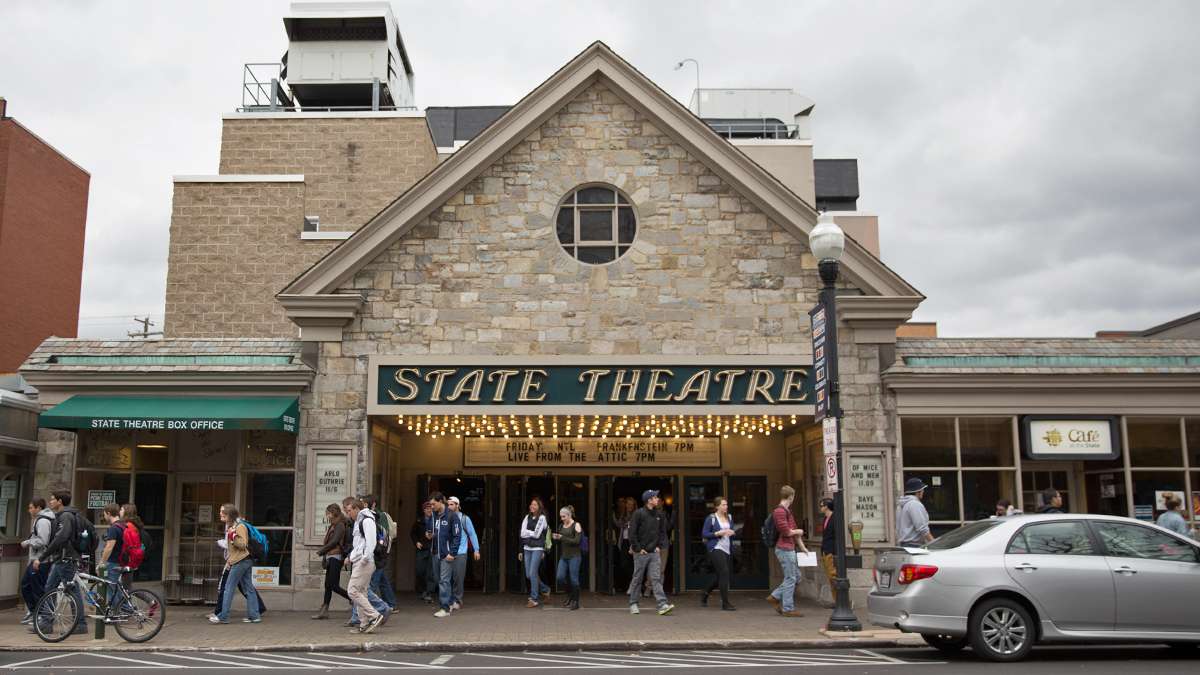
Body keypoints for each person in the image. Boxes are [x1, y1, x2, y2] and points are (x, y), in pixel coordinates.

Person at [35, 490, 91, 636]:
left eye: (53, 499)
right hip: (63, 558)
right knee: (50, 588)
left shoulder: (65, 516)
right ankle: (46, 622)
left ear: (60, 501)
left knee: (72, 591)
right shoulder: (69, 515)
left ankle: (80, 624)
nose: (50, 502)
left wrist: (42, 557)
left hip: (66, 558)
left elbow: (61, 538)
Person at [210, 503, 261, 625]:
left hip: (241, 561)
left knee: (228, 588)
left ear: (229, 515)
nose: (220, 514)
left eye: (223, 512)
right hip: (242, 560)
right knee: (249, 588)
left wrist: (232, 536)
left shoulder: (239, 527)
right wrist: (229, 560)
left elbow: (242, 544)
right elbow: (233, 549)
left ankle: (223, 616)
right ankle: (254, 616)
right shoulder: (233, 526)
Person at [627, 489, 675, 616]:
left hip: (654, 552)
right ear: (649, 500)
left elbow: (662, 532)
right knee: (637, 578)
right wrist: (638, 548)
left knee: (656, 578)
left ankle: (662, 604)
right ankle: (633, 603)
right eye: (655, 497)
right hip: (641, 553)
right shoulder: (638, 513)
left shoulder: (659, 514)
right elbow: (632, 533)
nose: (657, 499)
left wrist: (659, 546)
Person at [343, 496, 385, 633]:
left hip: (365, 562)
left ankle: (374, 615)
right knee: (361, 592)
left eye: (349, 510)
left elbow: (371, 542)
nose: (348, 514)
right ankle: (364, 623)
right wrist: (351, 557)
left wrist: (364, 559)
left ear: (356, 508)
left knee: (352, 590)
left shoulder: (366, 520)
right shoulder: (360, 521)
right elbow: (359, 544)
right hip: (361, 560)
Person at [766, 486, 805, 618]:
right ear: (790, 497)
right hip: (784, 549)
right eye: (793, 496)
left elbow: (793, 531)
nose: (793, 499)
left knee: (797, 577)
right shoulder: (779, 512)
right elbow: (787, 531)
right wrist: (798, 531)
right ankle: (788, 608)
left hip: (790, 548)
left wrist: (803, 548)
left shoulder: (788, 511)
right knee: (791, 578)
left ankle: (775, 596)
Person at [312, 503, 351, 620]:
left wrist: (321, 551)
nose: (327, 516)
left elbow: (334, 542)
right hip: (331, 557)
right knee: (328, 585)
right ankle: (324, 610)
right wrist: (324, 556)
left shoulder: (340, 525)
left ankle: (353, 599)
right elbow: (329, 542)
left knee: (333, 585)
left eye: (328, 513)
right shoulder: (333, 525)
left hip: (336, 557)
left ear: (333, 513)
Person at [19, 498, 54, 624]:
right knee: (26, 585)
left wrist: (27, 542)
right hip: (36, 559)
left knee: (36, 588)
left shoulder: (43, 521)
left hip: (41, 560)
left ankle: (39, 615)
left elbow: (42, 541)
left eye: (31, 507)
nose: (29, 510)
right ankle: (35, 612)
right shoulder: (40, 520)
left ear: (38, 508)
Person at [700, 495, 736, 611]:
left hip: (727, 548)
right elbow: (705, 534)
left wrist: (732, 532)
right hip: (715, 547)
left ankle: (705, 592)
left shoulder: (729, 517)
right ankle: (725, 603)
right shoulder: (711, 518)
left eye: (726, 504)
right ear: (717, 506)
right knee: (724, 572)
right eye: (723, 505)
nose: (726, 506)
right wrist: (717, 533)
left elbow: (730, 530)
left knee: (721, 575)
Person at [428, 492, 462, 618]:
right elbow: (437, 533)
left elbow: (457, 535)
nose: (432, 507)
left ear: (440, 502)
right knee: (439, 580)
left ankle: (445, 608)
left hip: (446, 554)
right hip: (435, 552)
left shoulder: (452, 516)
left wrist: (452, 553)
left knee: (444, 581)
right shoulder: (434, 516)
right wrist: (431, 535)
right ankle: (451, 600)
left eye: (433, 504)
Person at [363, 495, 398, 611]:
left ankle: (373, 608)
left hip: (379, 553)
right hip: (379, 552)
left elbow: (383, 535)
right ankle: (391, 603)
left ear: (372, 504)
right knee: (382, 580)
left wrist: (379, 550)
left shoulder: (380, 516)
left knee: (373, 583)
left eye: (365, 504)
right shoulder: (370, 516)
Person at [447, 496, 480, 612]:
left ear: (457, 505)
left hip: (461, 552)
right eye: (448, 504)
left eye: (451, 504)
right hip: (447, 552)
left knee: (458, 578)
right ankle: (449, 600)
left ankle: (457, 600)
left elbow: (472, 534)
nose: (449, 506)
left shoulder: (465, 519)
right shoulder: (445, 518)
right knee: (446, 578)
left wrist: (476, 549)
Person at [518, 497, 551, 608]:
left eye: (535, 505)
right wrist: (530, 533)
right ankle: (545, 589)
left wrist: (528, 533)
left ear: (539, 507)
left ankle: (534, 598)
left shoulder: (542, 518)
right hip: (527, 548)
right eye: (531, 504)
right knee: (528, 574)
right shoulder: (527, 517)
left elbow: (537, 535)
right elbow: (522, 533)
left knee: (532, 572)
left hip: (537, 548)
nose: (532, 506)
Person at [553, 505, 583, 611]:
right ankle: (570, 595)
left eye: (564, 517)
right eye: (561, 517)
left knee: (574, 579)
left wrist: (562, 537)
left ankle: (575, 601)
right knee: (560, 577)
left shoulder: (576, 525)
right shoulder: (561, 526)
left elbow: (576, 541)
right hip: (564, 556)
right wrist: (556, 538)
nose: (562, 519)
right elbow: (559, 542)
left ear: (569, 515)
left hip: (574, 556)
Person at [97, 503, 126, 607]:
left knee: (111, 590)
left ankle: (118, 612)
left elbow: (109, 547)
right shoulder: (123, 525)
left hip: (113, 562)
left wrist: (102, 562)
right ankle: (125, 609)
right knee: (116, 589)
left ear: (108, 513)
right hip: (121, 560)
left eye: (104, 514)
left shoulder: (114, 528)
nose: (104, 516)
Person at [896, 478, 935, 548]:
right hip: (915, 546)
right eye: (922, 489)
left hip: (904, 545)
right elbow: (922, 528)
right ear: (918, 491)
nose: (923, 492)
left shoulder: (901, 505)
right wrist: (934, 543)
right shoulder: (915, 504)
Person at [411, 501, 436, 603]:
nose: (429, 510)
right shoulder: (419, 520)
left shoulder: (436, 520)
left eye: (430, 508)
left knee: (430, 572)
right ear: (424, 510)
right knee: (420, 570)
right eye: (426, 508)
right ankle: (423, 590)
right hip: (422, 549)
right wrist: (416, 542)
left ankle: (428, 593)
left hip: (432, 548)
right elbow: (413, 533)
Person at [817, 497, 838, 607]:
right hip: (825, 550)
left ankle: (841, 601)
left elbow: (836, 536)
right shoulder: (825, 519)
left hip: (832, 551)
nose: (820, 507)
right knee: (830, 577)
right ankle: (836, 601)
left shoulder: (835, 519)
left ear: (827, 506)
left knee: (834, 576)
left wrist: (834, 552)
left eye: (822, 505)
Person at [611, 496, 635, 593]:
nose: (629, 506)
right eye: (627, 504)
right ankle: (632, 583)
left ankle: (634, 586)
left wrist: (630, 525)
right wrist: (612, 516)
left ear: (634, 505)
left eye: (631, 504)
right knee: (624, 564)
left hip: (633, 542)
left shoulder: (636, 514)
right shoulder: (623, 515)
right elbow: (619, 524)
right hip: (624, 541)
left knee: (634, 565)